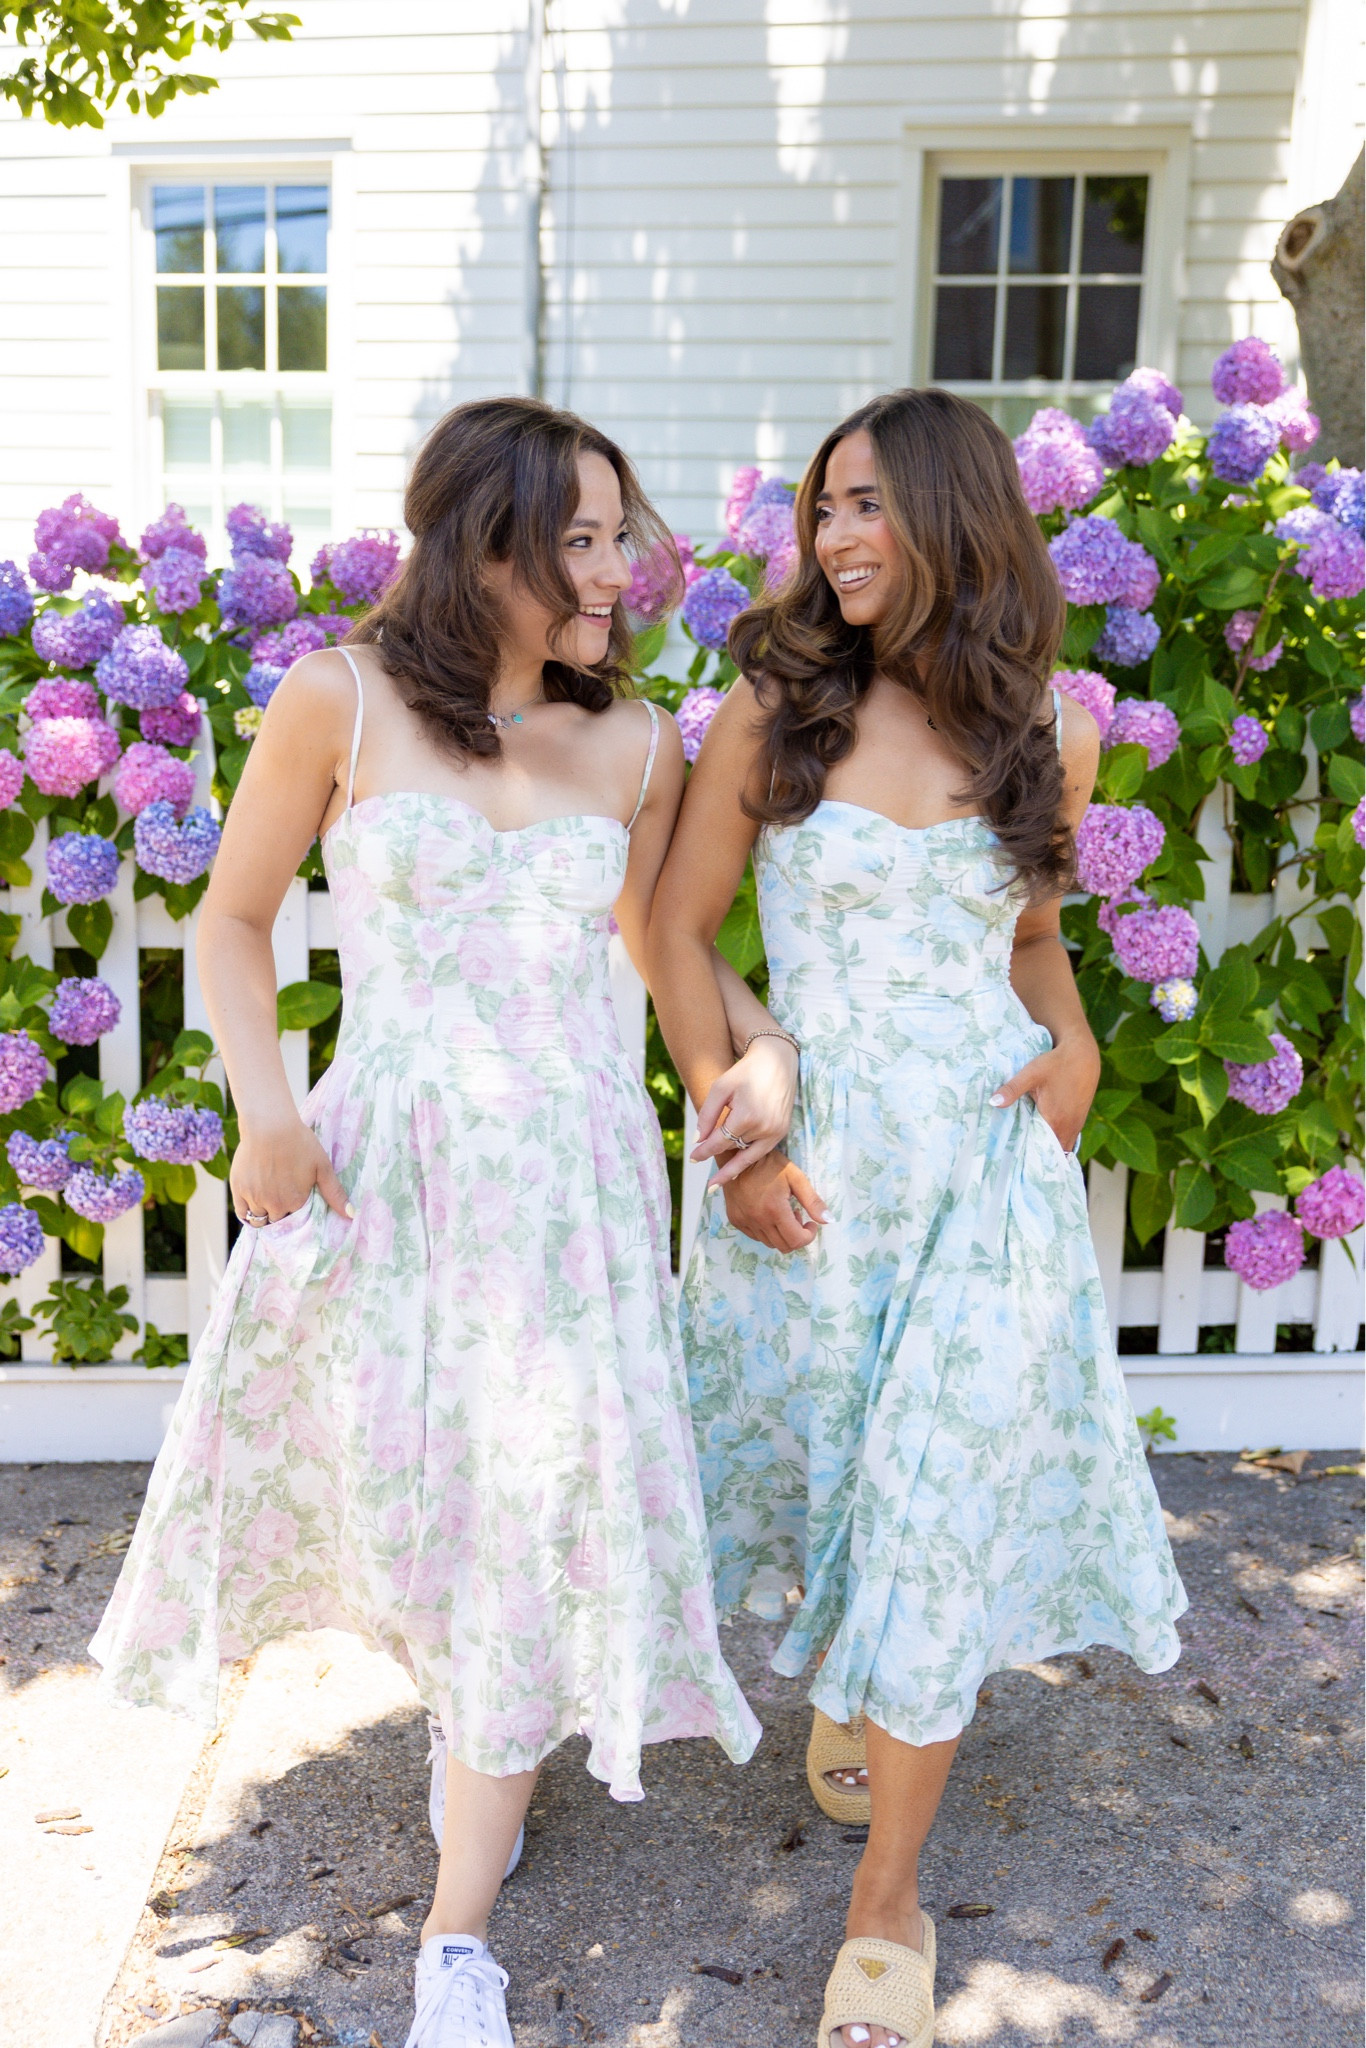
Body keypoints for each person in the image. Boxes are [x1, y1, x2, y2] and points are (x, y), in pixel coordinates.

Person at [91, 396, 760, 2048]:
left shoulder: (635, 741)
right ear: (487, 540)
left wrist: (773, 1047)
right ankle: (490, 1729)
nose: (617, 567)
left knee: (526, 1524)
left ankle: (454, 1935)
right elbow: (232, 920)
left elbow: (662, 947)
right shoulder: (341, 698)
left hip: (568, 1196)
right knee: (416, 1505)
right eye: (581, 538)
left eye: (621, 533)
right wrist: (262, 1105)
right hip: (389, 1172)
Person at [646, 388, 1187, 2048]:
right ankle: (857, 1687)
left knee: (935, 1500)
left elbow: (1028, 944)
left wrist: (1078, 1038)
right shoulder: (772, 713)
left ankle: (885, 1908)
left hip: (984, 1167)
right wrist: (737, 1126)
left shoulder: (1051, 731)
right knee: (843, 1471)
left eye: (867, 503)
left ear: (955, 515)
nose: (837, 537)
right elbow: (672, 928)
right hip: (821, 1167)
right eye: (822, 509)